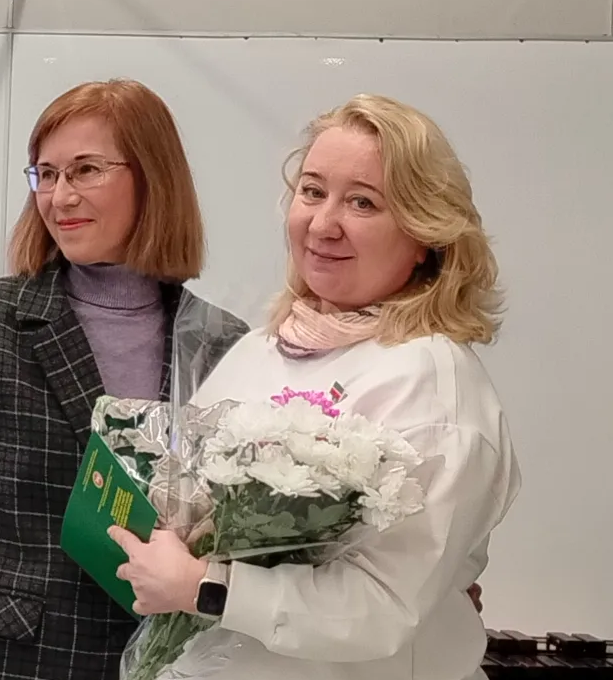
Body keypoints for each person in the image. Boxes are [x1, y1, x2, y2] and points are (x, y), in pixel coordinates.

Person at [110, 93, 520, 680]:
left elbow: (384, 606)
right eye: (312, 191)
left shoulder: (431, 380)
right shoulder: (259, 348)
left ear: (426, 233)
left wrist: (208, 588)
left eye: (363, 202)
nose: (323, 224)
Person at [0, 79, 249, 680]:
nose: (60, 196)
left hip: (164, 661)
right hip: (0, 661)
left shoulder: (222, 341)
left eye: (86, 170)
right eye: (45, 174)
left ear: (153, 177)